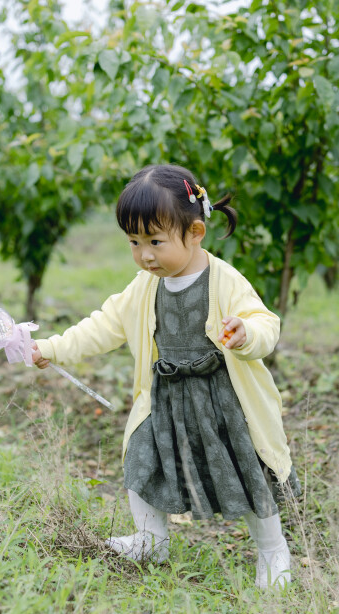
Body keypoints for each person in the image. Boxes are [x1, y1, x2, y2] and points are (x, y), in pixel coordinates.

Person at [31, 164, 301, 590]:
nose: (145, 255)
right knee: (142, 461)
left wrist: (247, 333)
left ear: (195, 233)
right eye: (134, 243)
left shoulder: (223, 279)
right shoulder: (144, 286)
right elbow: (103, 325)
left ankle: (271, 548)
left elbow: (264, 321)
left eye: (155, 241)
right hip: (164, 399)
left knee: (244, 469)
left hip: (223, 400)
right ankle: (150, 539)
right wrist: (51, 347)